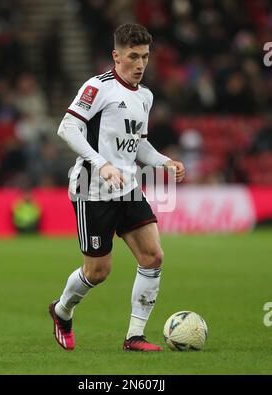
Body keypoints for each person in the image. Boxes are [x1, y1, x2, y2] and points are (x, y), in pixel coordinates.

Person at [49, 23, 185, 351]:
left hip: (127, 187)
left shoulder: (146, 97)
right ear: (116, 56)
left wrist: (164, 161)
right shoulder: (98, 87)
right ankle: (62, 310)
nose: (140, 64)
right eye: (133, 57)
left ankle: (134, 336)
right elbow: (67, 128)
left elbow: (139, 146)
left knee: (153, 256)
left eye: (146, 57)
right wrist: (102, 164)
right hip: (90, 188)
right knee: (97, 272)